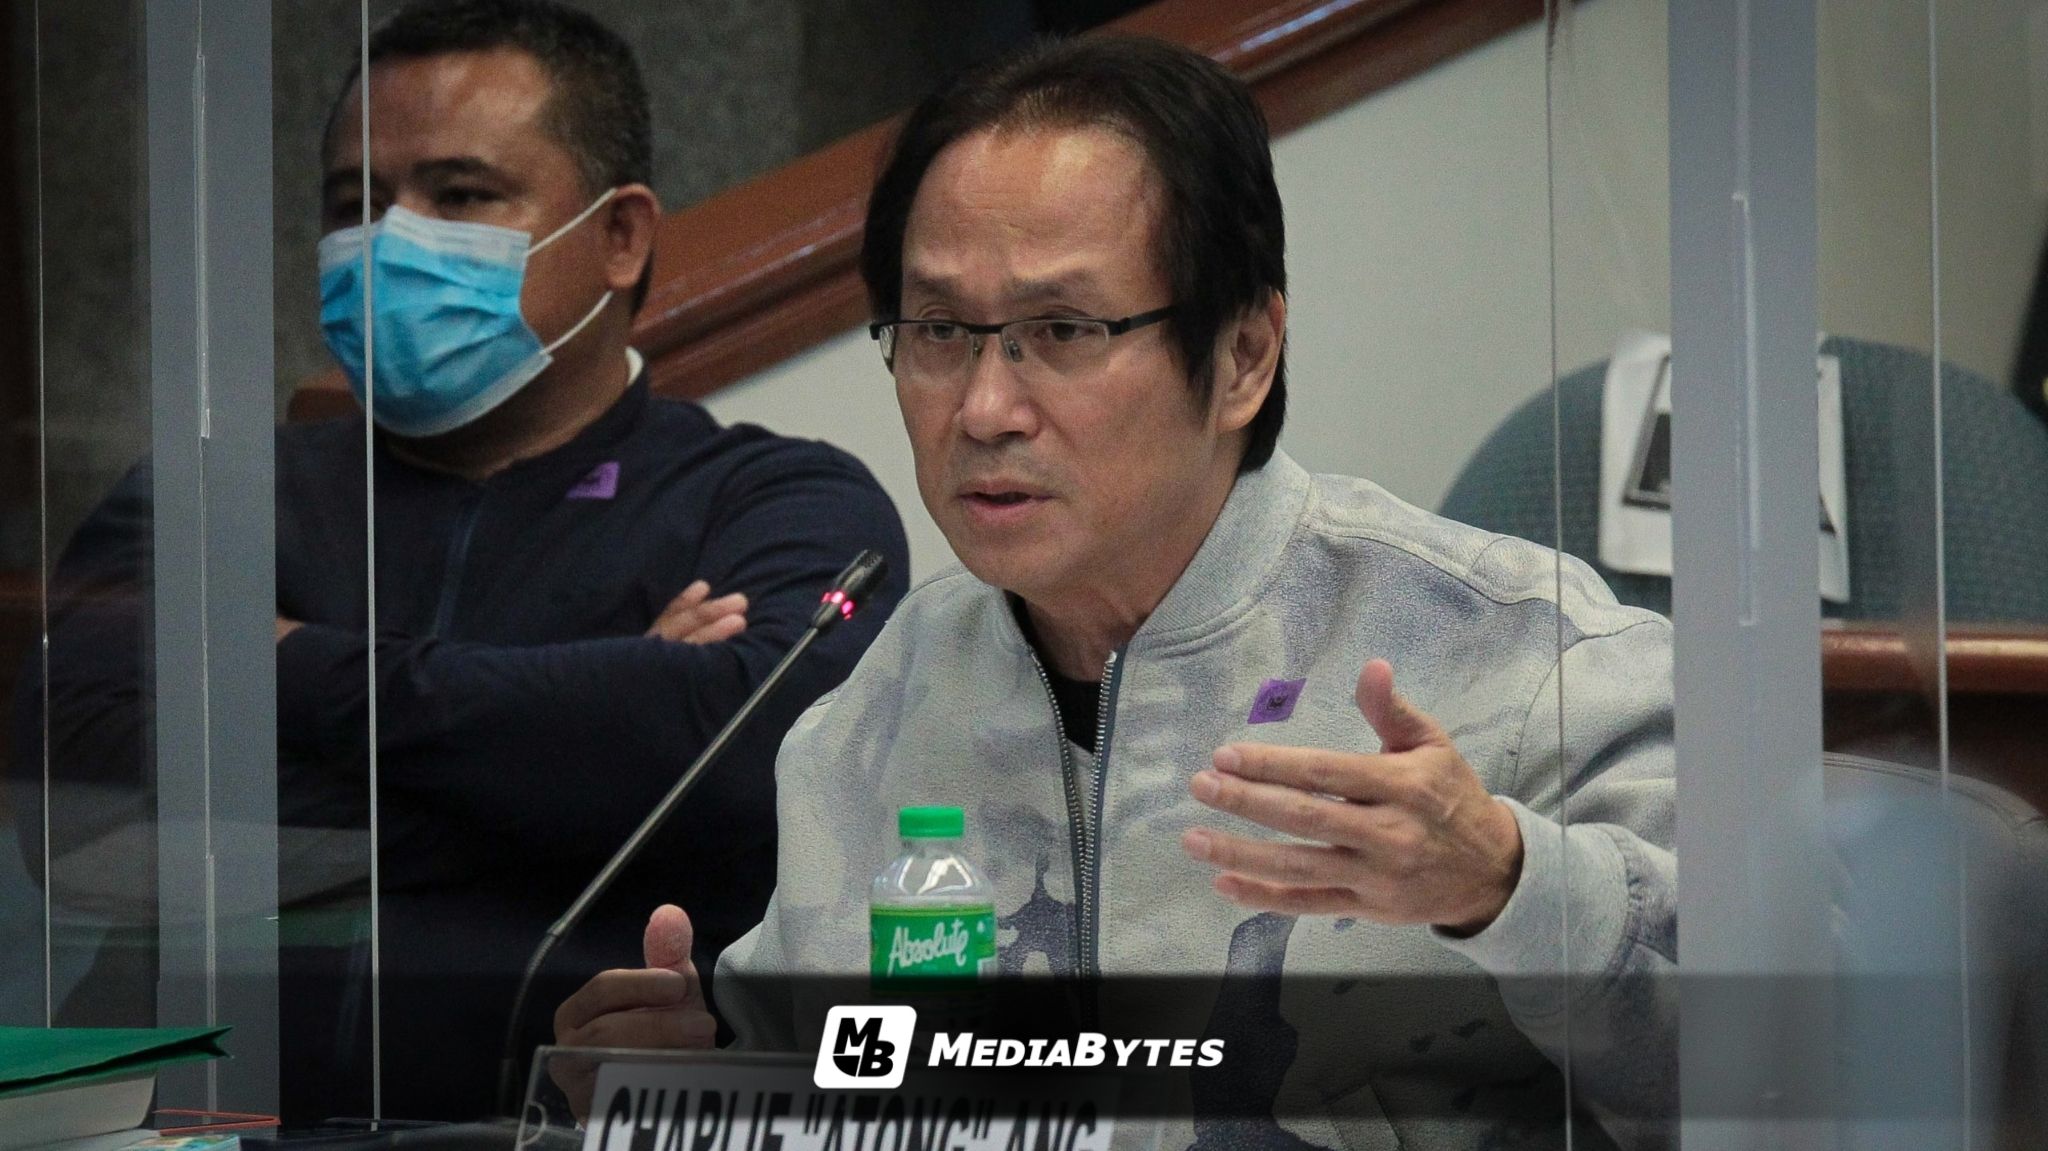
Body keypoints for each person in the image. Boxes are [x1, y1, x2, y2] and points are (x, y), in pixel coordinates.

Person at [552, 34, 1673, 1149]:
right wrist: (695, 1091)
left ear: (1242, 354)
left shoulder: (1523, 660)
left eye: (1061, 330)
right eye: (938, 330)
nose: (983, 407)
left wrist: (1508, 885)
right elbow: (847, 1087)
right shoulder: (874, 713)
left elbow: (1758, 1076)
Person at [5, 0, 908, 1123]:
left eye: (462, 195)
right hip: (192, 1123)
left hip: (552, 1128)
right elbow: (77, 808)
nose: (389, 239)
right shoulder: (208, 495)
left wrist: (273, 661)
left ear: (621, 237)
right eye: (354, 202)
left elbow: (736, 769)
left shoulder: (774, 500)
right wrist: (587, 730)